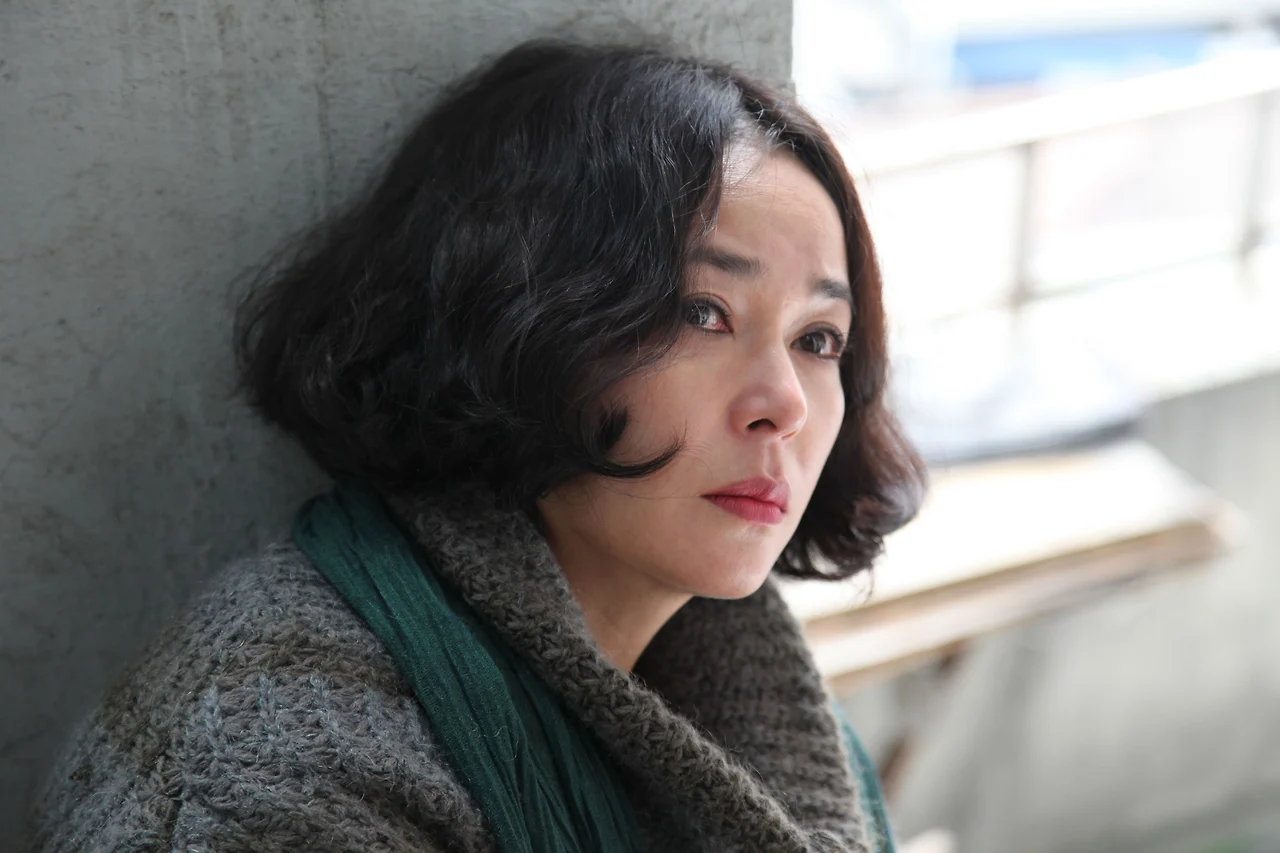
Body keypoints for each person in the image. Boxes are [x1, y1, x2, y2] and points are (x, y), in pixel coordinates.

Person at [30, 38, 925, 852]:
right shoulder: (287, 762)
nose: (785, 404)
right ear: (519, 322)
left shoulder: (756, 714)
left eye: (819, 339)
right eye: (701, 312)